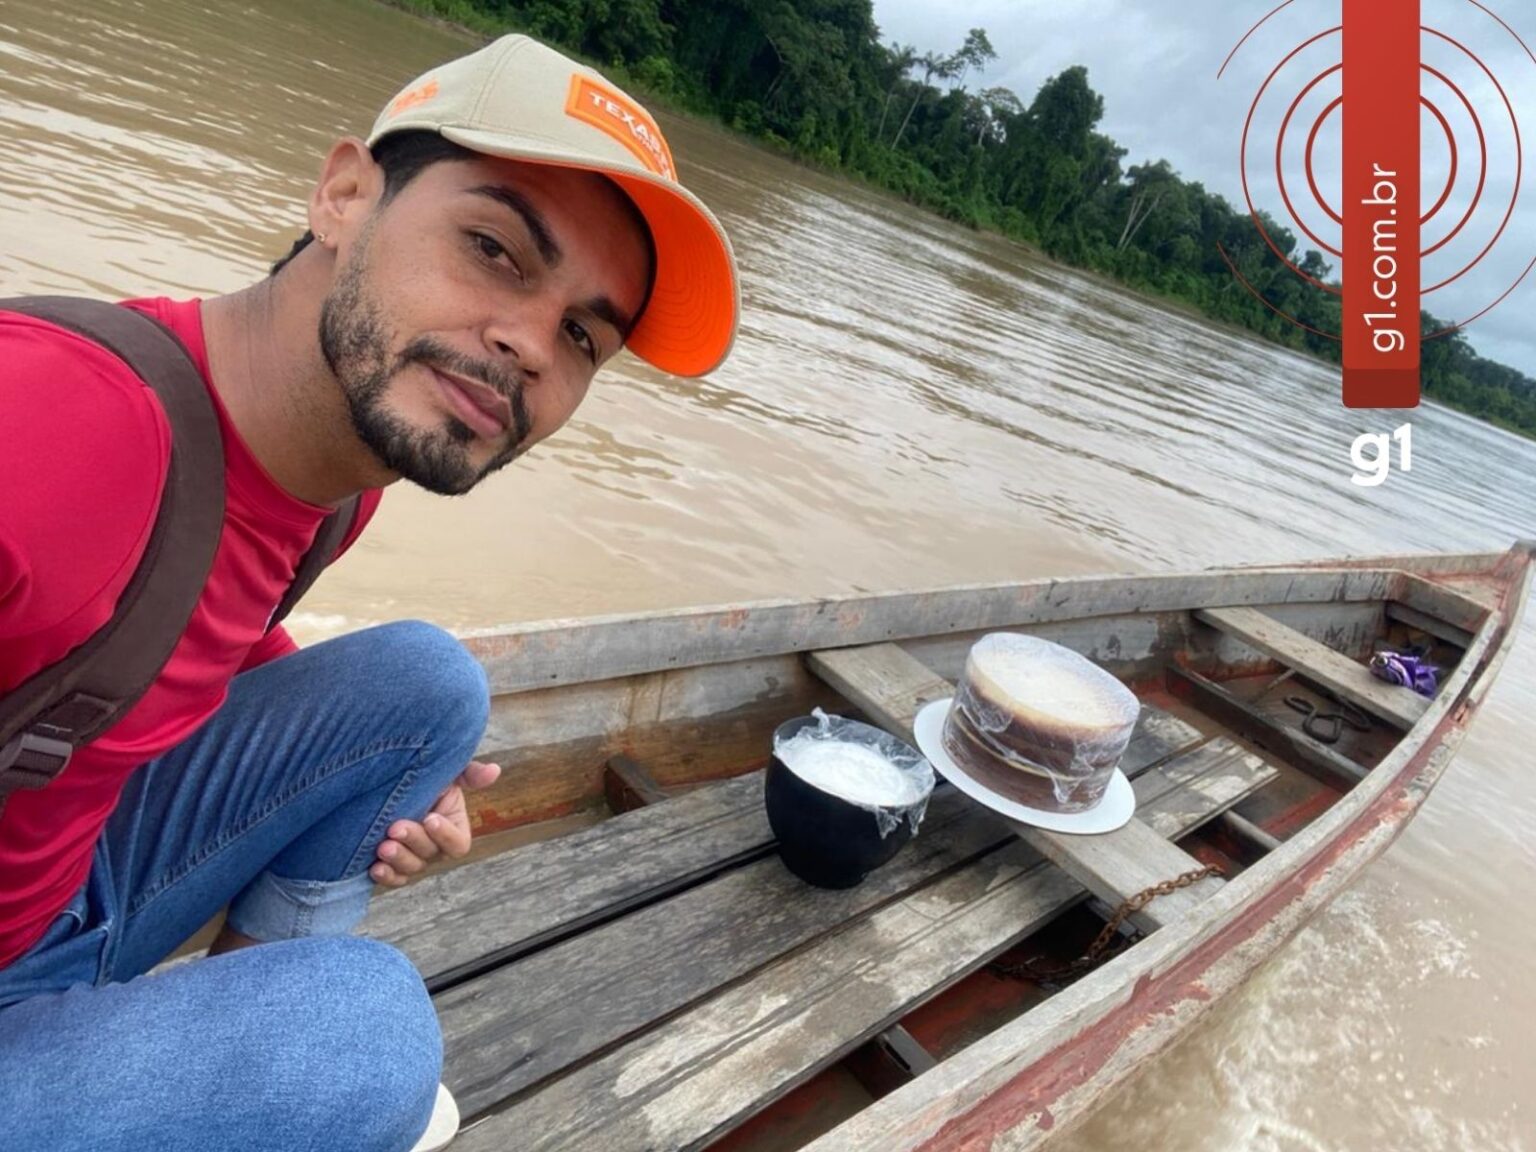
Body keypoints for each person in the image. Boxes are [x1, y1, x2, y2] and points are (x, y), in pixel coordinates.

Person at [0, 32, 738, 1152]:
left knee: (424, 689)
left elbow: (194, 617)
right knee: (369, 1037)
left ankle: (211, 1075)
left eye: (585, 333)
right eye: (494, 248)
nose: (531, 345)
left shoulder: (340, 474)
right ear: (345, 194)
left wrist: (356, 781)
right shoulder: (49, 437)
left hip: (61, 892)